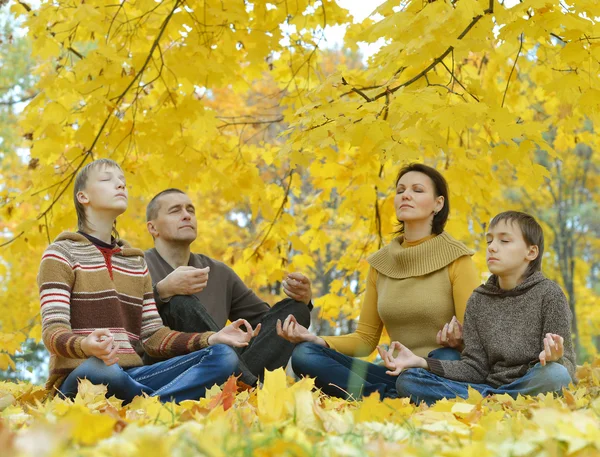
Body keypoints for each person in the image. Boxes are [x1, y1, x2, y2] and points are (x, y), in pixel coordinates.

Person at [39, 159, 255, 404]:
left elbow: (154, 337)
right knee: (103, 369)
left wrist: (210, 339)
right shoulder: (60, 253)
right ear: (83, 197)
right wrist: (85, 345)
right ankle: (158, 401)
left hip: (134, 375)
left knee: (223, 356)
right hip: (81, 379)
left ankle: (147, 404)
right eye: (107, 179)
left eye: (122, 181)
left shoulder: (134, 262)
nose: (120, 184)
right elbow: (52, 333)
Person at [277, 163, 481, 399]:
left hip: (436, 370)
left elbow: (478, 342)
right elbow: (365, 340)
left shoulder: (458, 259)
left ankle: (392, 395)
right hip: (393, 375)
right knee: (305, 354)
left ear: (438, 204)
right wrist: (316, 339)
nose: (406, 195)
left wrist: (460, 342)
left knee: (445, 358)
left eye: (417, 190)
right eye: (400, 190)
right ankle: (386, 399)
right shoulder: (380, 264)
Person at [386, 211, 576, 405]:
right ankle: (498, 402)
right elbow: (475, 368)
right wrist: (421, 362)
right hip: (486, 387)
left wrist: (555, 358)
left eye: (504, 241)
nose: (492, 248)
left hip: (530, 382)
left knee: (555, 375)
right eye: (489, 241)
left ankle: (489, 402)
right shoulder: (478, 300)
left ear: (531, 252)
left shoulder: (550, 295)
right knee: (408, 380)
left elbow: (567, 368)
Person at [144, 188, 312, 384]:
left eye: (190, 210)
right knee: (180, 302)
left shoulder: (219, 272)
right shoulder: (135, 265)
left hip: (227, 365)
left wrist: (303, 299)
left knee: (294, 311)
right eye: (175, 211)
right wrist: (163, 291)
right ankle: (249, 387)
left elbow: (265, 324)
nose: (186, 216)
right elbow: (124, 321)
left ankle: (238, 385)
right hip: (170, 371)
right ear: (153, 228)